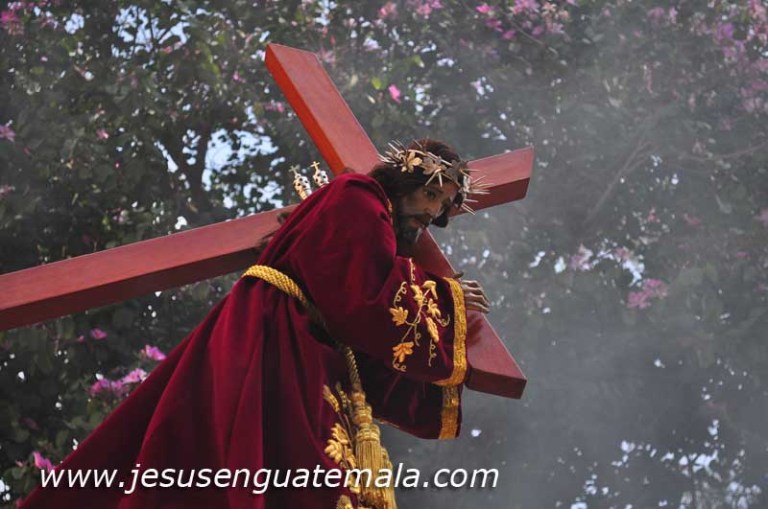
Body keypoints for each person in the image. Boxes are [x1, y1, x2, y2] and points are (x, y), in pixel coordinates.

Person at [20, 138, 490, 509]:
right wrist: (444, 300)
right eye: (431, 194)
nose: (432, 212)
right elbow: (364, 294)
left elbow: (368, 321)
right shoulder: (357, 196)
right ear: (404, 179)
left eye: (442, 206)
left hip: (310, 351)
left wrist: (449, 331)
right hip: (273, 336)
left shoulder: (381, 230)